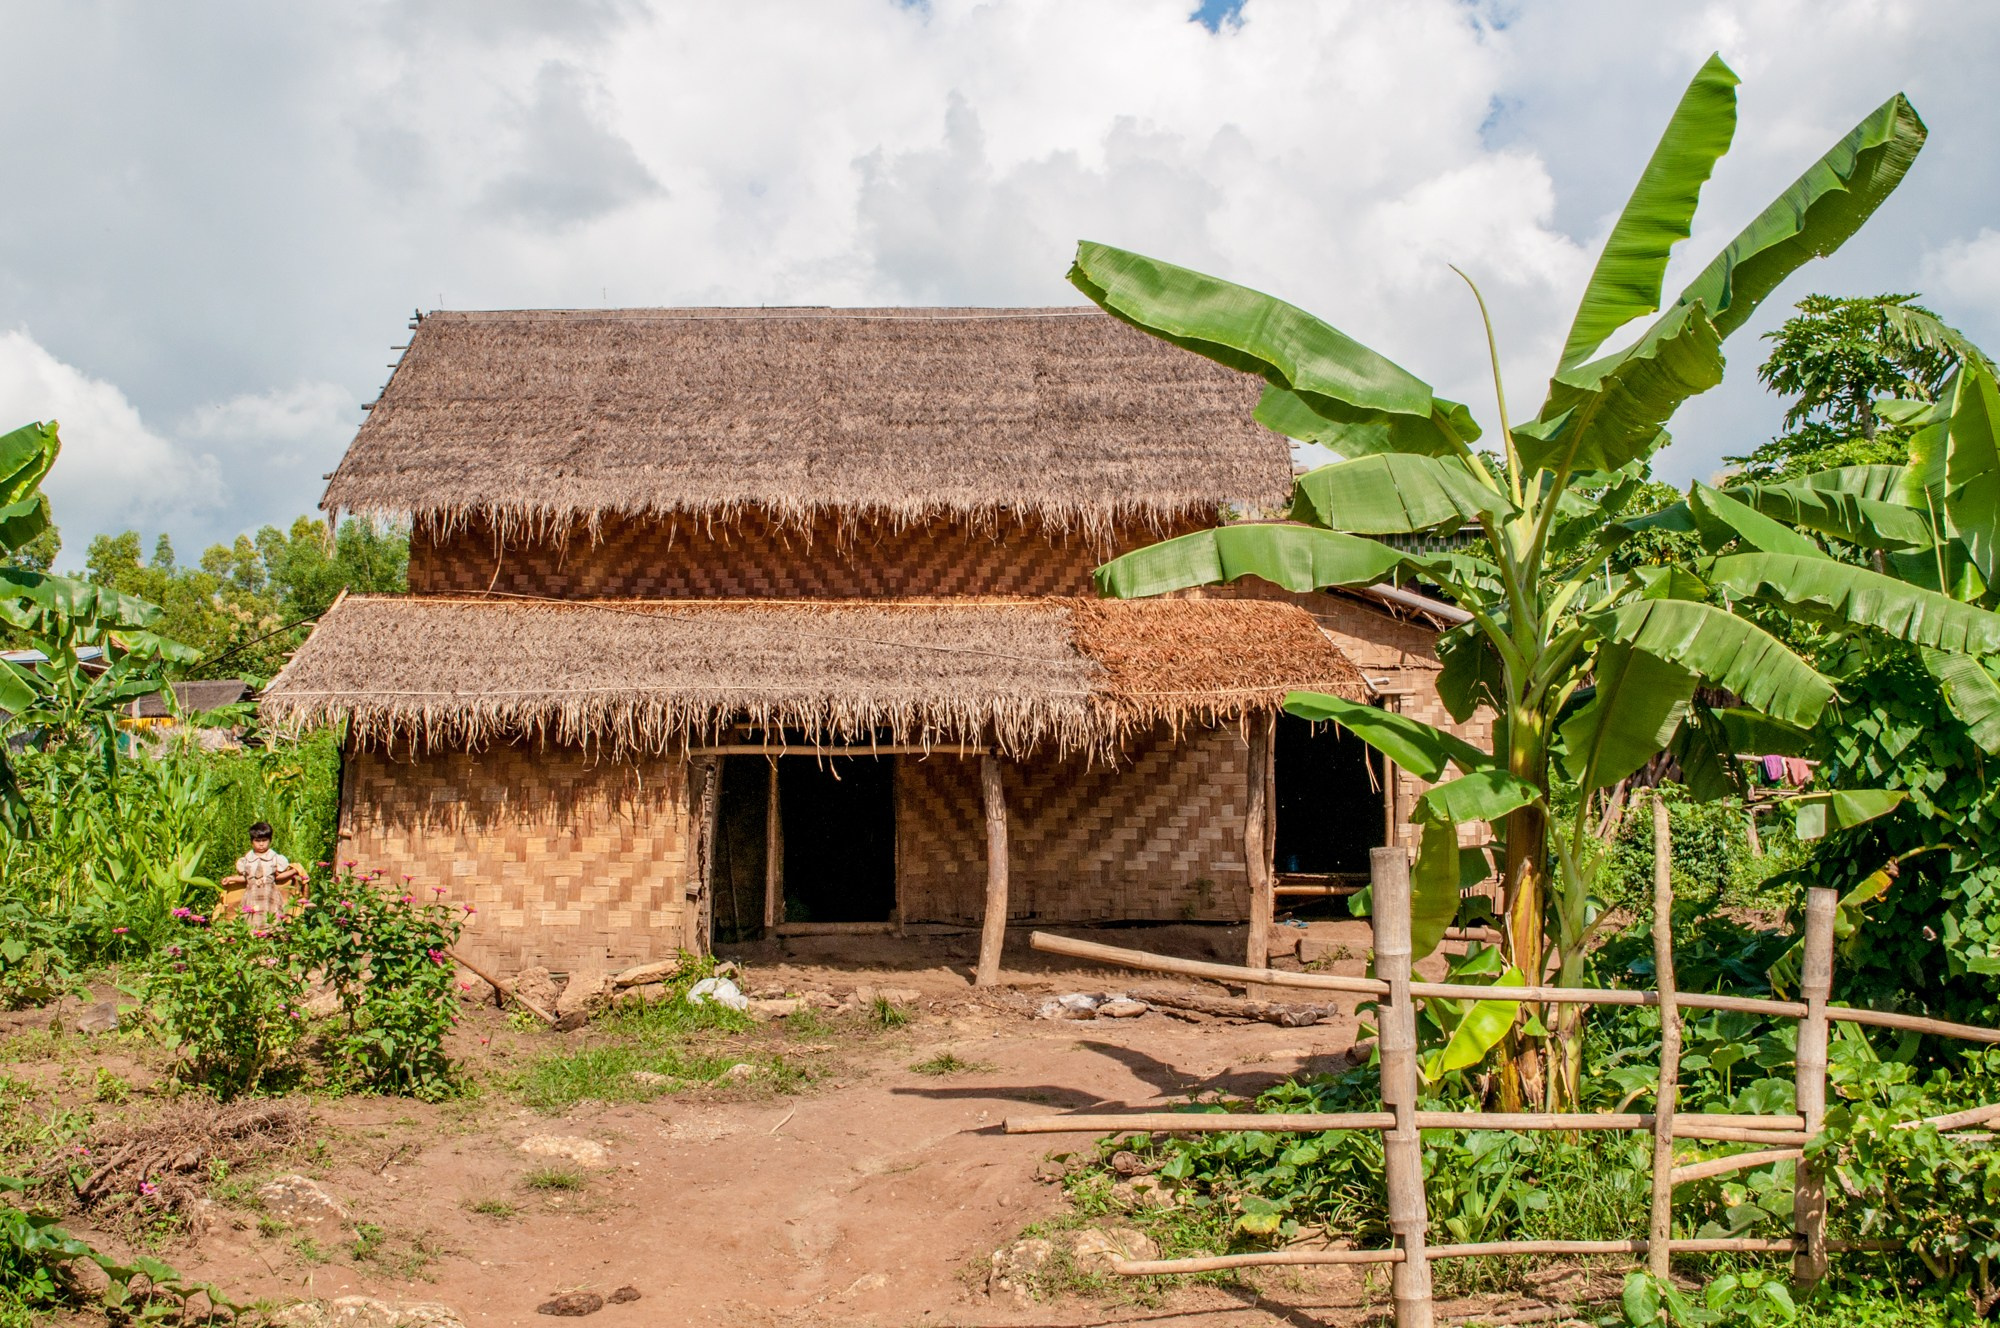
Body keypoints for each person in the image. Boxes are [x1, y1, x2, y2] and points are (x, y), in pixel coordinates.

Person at [219, 822, 308, 921]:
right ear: (252, 842)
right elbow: (246, 878)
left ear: (270, 840)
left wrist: (294, 871)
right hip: (251, 894)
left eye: (264, 840)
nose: (261, 844)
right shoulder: (247, 860)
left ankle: (271, 935)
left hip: (269, 894)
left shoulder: (275, 858)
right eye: (257, 841)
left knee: (270, 917)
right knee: (251, 917)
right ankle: (252, 935)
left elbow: (277, 877)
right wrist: (231, 879)